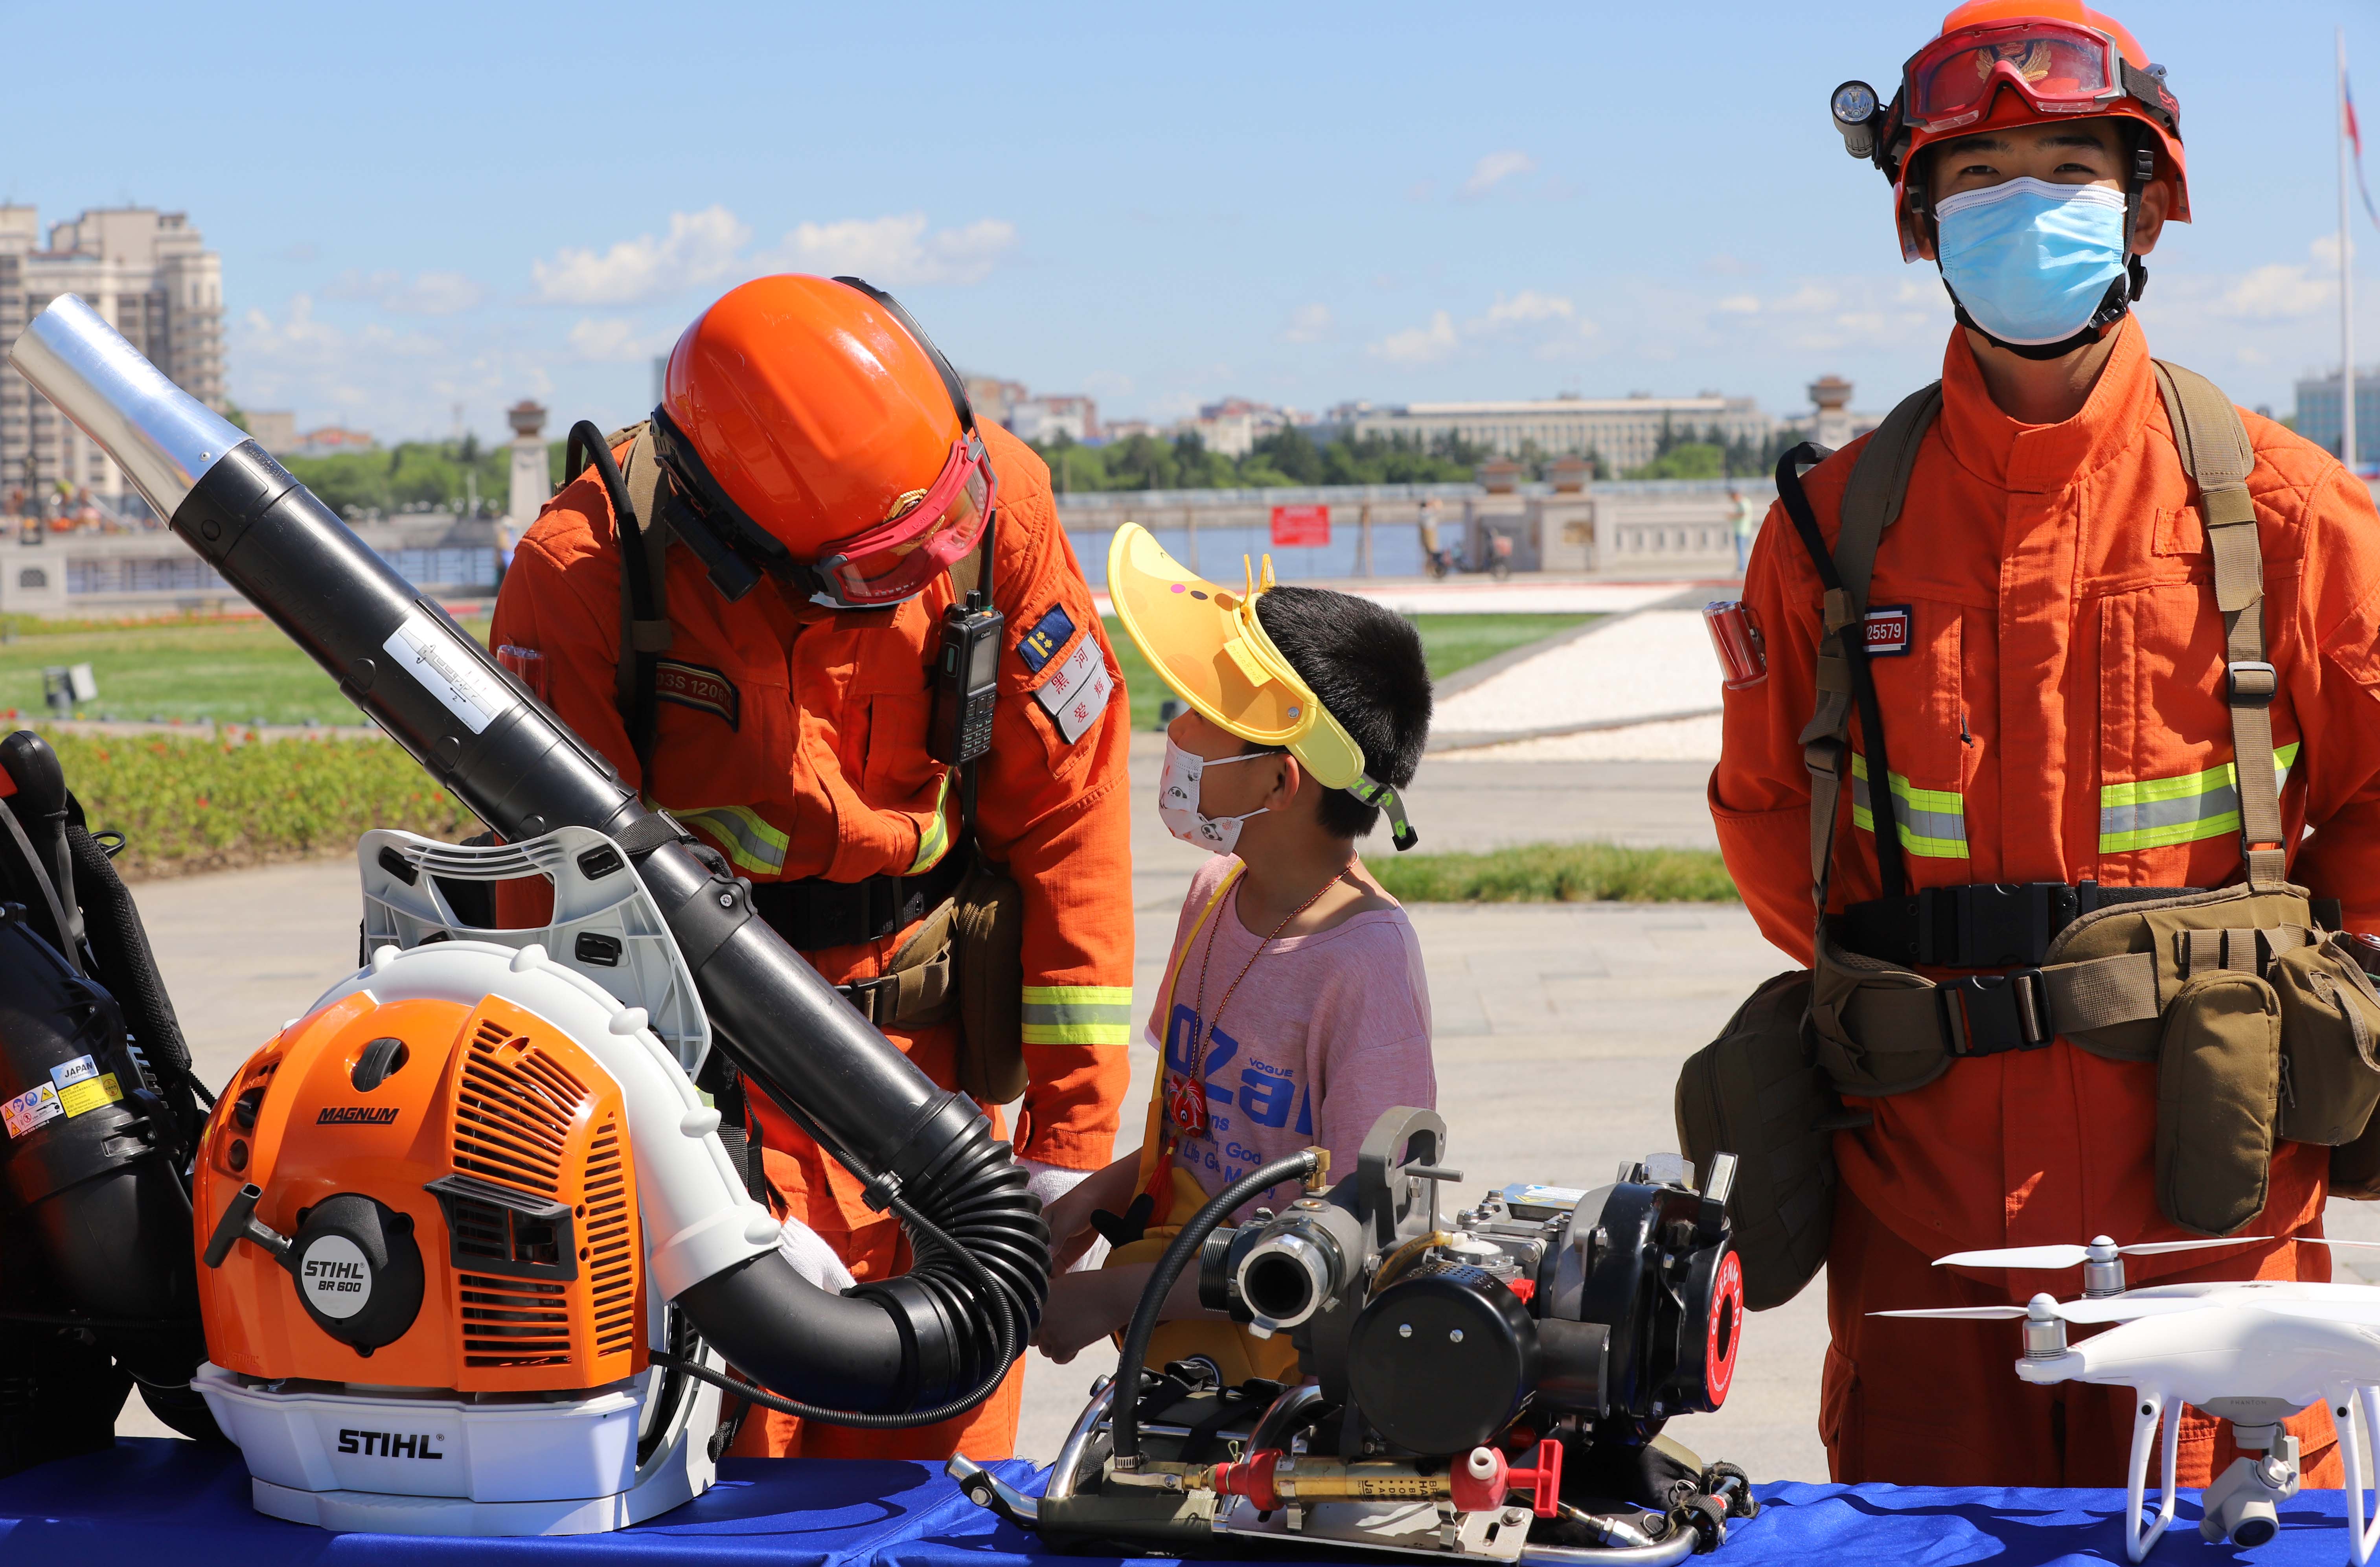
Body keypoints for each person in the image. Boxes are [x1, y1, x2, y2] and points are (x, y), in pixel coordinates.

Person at [1711, 2, 2380, 1488]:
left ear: (2142, 204)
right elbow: (1773, 832)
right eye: (1975, 173)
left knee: (2236, 1520)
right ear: (1919, 219)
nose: (2023, 202)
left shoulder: (2288, 511)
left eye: (2068, 163)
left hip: (2216, 1214)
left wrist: (2320, 994)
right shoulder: (1831, 532)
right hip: (1925, 1216)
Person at [488, 274, 1135, 1462]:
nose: (925, 568)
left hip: (936, 1088)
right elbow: (556, 920)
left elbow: (1069, 817)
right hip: (713, 1080)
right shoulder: (581, 574)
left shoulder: (996, 509)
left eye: (935, 537)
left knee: (943, 1466)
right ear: (739, 539)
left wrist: (1064, 1140)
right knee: (730, 1473)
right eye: (878, 572)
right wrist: (682, 1190)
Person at [1034, 527, 1435, 1375]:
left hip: (1280, 1389)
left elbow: (1361, 1229)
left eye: (1208, 720)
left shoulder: (1364, 965)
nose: (1175, 732)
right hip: (1174, 1350)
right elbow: (1195, 1135)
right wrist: (1084, 1207)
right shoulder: (1214, 891)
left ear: (1279, 782)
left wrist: (1112, 1297)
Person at [1727, 486, 1756, 574]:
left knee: (1741, 550)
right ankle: (1741, 567)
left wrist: (1733, 516)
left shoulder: (1743, 503)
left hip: (1742, 531)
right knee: (1741, 550)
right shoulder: (1743, 503)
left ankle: (1742, 568)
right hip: (1742, 530)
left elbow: (1744, 514)